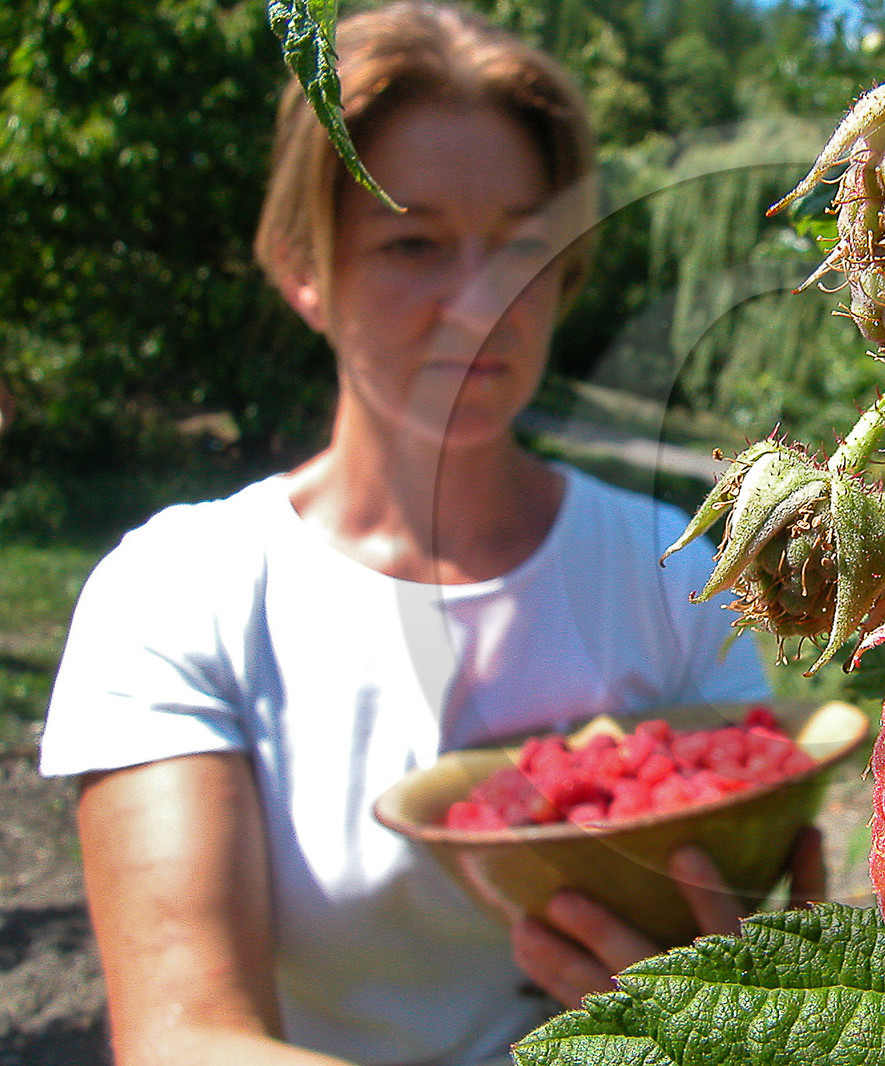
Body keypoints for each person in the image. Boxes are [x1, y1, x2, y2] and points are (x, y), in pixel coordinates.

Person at [38, 3, 823, 1063]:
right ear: (302, 266)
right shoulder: (178, 594)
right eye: (412, 243)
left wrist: (734, 1008)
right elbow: (183, 1036)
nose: (483, 301)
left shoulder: (676, 570)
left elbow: (747, 915)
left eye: (526, 244)